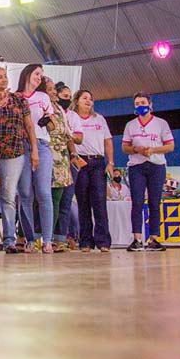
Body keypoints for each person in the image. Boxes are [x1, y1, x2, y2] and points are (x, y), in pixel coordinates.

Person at [122, 93, 174, 252]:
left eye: (143, 102)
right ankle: (137, 238)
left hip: (156, 165)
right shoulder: (130, 125)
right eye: (137, 103)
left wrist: (153, 150)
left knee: (154, 202)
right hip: (137, 165)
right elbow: (124, 148)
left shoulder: (161, 123)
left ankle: (154, 238)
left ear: (150, 104)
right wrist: (136, 149)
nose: (140, 105)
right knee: (137, 202)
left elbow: (170, 146)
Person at [0, 66, 36, 254]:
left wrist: (35, 150)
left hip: (15, 152)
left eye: (5, 76)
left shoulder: (19, 99)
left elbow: (29, 125)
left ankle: (9, 240)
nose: (3, 79)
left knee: (8, 196)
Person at [67, 89, 114, 252]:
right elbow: (68, 138)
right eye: (84, 98)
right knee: (83, 201)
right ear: (77, 100)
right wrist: (73, 157)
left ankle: (103, 241)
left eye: (91, 99)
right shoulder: (71, 118)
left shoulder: (99, 119)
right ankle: (86, 241)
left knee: (100, 201)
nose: (88, 101)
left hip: (98, 161)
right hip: (80, 161)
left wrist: (111, 162)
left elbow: (108, 140)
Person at [16, 64, 55, 253]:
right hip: (21, 146)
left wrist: (49, 120)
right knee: (24, 194)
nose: (39, 77)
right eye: (36, 73)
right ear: (27, 74)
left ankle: (47, 240)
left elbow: (53, 128)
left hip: (42, 144)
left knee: (44, 193)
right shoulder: (15, 97)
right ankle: (29, 239)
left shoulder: (44, 98)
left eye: (42, 75)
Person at [44, 78, 78, 252]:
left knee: (59, 199)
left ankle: (56, 239)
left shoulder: (60, 110)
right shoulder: (42, 106)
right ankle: (36, 237)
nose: (53, 93)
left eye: (53, 90)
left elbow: (67, 135)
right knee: (41, 198)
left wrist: (73, 153)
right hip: (46, 153)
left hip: (62, 158)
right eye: (50, 90)